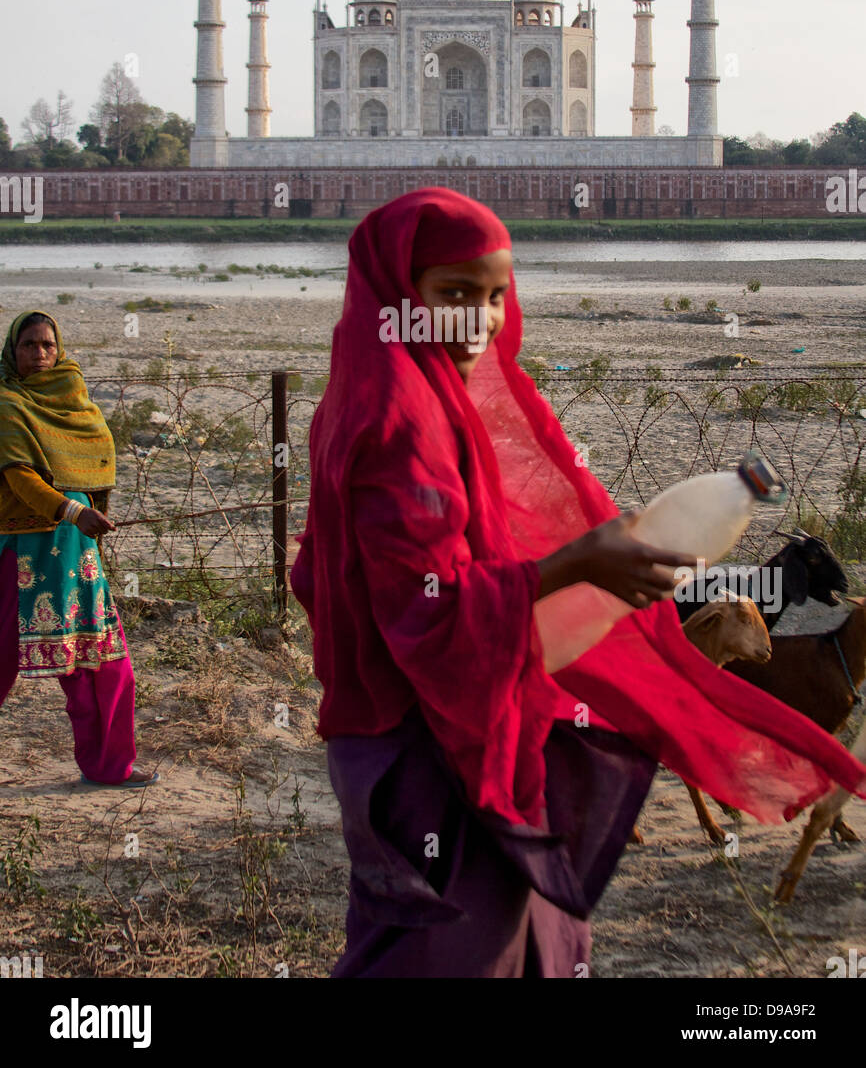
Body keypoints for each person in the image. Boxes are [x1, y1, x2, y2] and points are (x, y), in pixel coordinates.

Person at [290, 190, 866, 978]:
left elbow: (326, 573)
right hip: (419, 741)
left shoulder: (382, 391)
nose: (482, 320)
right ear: (397, 292)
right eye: (453, 293)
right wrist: (572, 568)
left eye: (495, 295)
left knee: (458, 933)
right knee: (445, 947)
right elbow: (429, 608)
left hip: (390, 730)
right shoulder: (399, 418)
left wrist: (567, 571)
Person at [0, 310, 156, 788]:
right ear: (12, 351)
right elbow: (20, 475)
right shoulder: (7, 404)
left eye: (48, 344)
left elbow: (90, 461)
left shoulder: (74, 396)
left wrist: (81, 517)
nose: (41, 354)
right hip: (24, 550)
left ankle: (109, 766)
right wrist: (72, 510)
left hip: (76, 551)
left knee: (103, 660)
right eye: (29, 345)